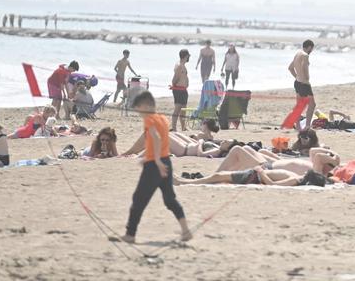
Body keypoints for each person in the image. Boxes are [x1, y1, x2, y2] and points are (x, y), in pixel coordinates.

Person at [121, 91, 191, 244]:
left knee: (138, 199)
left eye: (139, 109)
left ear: (146, 106)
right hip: (166, 162)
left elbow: (157, 139)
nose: (139, 113)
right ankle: (186, 231)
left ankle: (130, 235)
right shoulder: (162, 119)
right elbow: (159, 142)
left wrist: (156, 160)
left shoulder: (149, 119)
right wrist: (152, 158)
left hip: (155, 166)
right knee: (170, 199)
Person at [176, 167, 329, 187]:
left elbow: (272, 185)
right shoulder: (297, 178)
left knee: (219, 175)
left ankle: (185, 182)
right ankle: (187, 182)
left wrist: (261, 172)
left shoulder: (295, 180)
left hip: (254, 176)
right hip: (255, 175)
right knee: (220, 177)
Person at [289, 40, 316, 131]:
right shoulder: (305, 55)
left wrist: (297, 77)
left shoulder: (297, 54)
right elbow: (305, 67)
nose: (311, 51)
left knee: (299, 105)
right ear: (309, 47)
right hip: (304, 84)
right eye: (311, 49)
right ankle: (307, 126)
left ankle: (298, 126)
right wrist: (306, 78)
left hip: (297, 83)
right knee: (312, 105)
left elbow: (290, 68)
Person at [170, 49, 191, 132]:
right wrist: (176, 87)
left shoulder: (183, 65)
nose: (189, 57)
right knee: (177, 109)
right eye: (188, 56)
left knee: (183, 110)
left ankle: (183, 127)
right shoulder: (179, 66)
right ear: (185, 56)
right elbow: (174, 80)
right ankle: (174, 128)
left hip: (183, 90)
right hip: (179, 90)